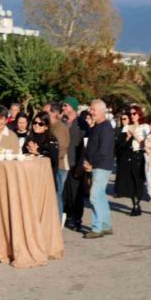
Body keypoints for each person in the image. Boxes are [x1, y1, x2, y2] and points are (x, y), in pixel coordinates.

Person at [82, 99, 115, 239]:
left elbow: (103, 150)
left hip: (102, 165)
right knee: (100, 196)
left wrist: (91, 164)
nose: (91, 112)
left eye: (94, 109)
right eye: (91, 109)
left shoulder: (106, 128)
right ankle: (106, 226)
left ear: (102, 111)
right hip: (96, 164)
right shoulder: (96, 126)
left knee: (94, 196)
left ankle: (97, 228)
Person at [61, 96, 89, 231]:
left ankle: (77, 218)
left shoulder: (82, 124)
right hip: (62, 162)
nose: (63, 108)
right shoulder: (62, 122)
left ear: (72, 107)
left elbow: (86, 145)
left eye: (66, 106)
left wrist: (81, 164)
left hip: (75, 162)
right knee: (64, 192)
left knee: (76, 192)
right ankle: (66, 215)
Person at [116, 108, 147, 216]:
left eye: (134, 113)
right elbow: (121, 142)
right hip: (128, 155)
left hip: (138, 154)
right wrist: (127, 137)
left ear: (139, 114)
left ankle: (137, 205)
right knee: (131, 181)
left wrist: (134, 134)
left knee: (138, 180)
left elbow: (144, 144)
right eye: (131, 114)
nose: (132, 115)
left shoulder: (144, 127)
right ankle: (135, 205)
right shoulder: (127, 127)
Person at [45, 102, 70, 221]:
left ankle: (58, 222)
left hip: (59, 167)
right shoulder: (51, 127)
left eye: (47, 112)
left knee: (57, 195)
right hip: (51, 166)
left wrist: (47, 158)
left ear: (54, 113)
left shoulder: (60, 129)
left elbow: (62, 150)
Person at [23, 111, 60, 175]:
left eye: (41, 124)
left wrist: (37, 152)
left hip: (45, 175)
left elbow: (54, 160)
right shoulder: (30, 137)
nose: (36, 125)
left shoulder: (51, 140)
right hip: (30, 172)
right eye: (35, 123)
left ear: (46, 127)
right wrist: (28, 150)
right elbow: (23, 152)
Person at [114, 112, 132, 197]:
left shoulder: (131, 129)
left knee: (128, 173)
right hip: (120, 153)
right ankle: (119, 191)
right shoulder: (118, 129)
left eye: (125, 119)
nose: (123, 121)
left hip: (129, 153)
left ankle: (128, 191)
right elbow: (116, 141)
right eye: (122, 119)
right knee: (120, 173)